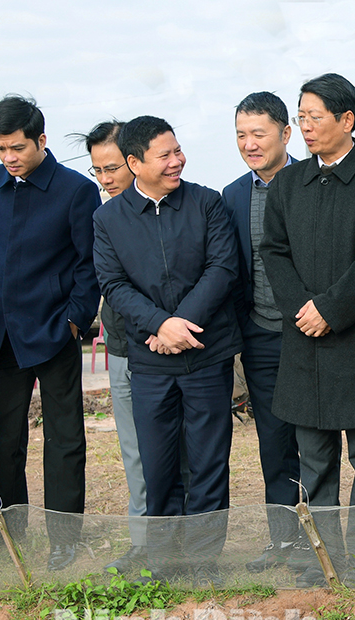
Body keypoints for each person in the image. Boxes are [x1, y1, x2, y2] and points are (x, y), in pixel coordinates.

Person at [259, 73, 355, 587]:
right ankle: (322, 560)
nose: (304, 127)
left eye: (313, 117)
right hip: (304, 340)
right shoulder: (287, 185)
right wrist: (304, 308)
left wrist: (331, 308)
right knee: (314, 457)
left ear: (347, 119)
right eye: (300, 118)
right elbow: (273, 251)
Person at [93, 115, 242, 587]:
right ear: (135, 163)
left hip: (206, 351)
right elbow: (113, 284)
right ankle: (161, 553)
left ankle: (201, 561)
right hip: (150, 358)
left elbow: (222, 268)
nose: (177, 160)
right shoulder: (108, 219)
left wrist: (180, 325)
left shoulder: (206, 202)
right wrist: (159, 324)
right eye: (165, 154)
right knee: (157, 463)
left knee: (208, 461)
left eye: (178, 150)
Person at [0, 95, 101, 571]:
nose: (8, 158)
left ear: (41, 141)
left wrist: (73, 320)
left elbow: (88, 266)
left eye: (17, 147)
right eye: (0, 148)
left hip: (54, 331)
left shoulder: (75, 191)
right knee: (4, 436)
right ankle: (2, 526)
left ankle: (64, 537)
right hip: (0, 333)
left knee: (64, 438)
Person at [221, 92, 304, 572]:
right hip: (259, 335)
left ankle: (323, 534)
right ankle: (283, 538)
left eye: (259, 133)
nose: (249, 144)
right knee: (273, 440)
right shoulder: (232, 195)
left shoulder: (311, 182)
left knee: (314, 439)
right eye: (240, 135)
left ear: (285, 133)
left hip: (311, 332)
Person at [73, 120, 152, 574]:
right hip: (123, 349)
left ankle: (187, 542)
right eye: (96, 171)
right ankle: (143, 543)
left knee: (182, 451)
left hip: (175, 347)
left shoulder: (177, 207)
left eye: (111, 168)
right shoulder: (104, 218)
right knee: (135, 450)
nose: (104, 180)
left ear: (134, 160)